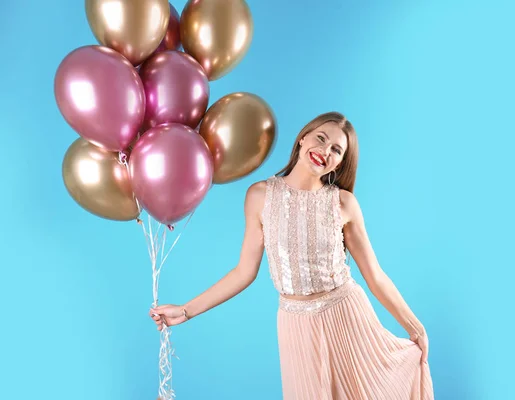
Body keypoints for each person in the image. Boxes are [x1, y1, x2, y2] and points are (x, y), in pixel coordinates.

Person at [150, 112, 435, 399]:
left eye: (336, 150)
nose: (325, 151)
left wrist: (415, 326)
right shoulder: (259, 196)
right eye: (321, 139)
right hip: (294, 325)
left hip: (346, 318)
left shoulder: (343, 203)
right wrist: (186, 310)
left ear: (340, 162)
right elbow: (244, 272)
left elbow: (374, 275)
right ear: (302, 139)